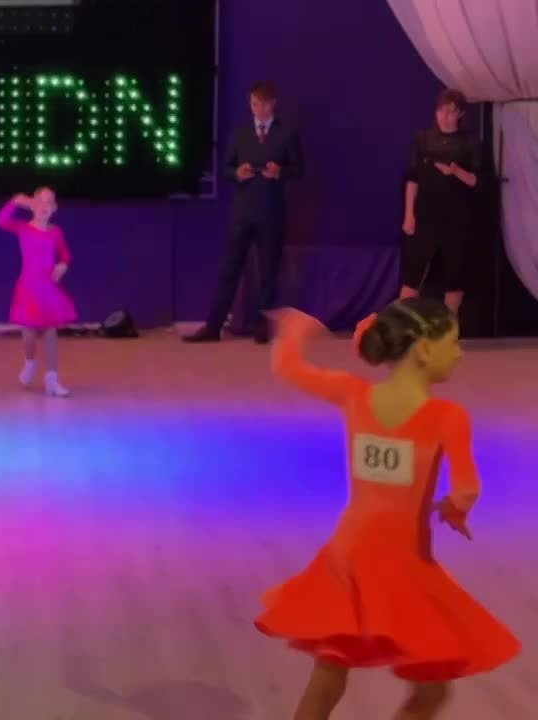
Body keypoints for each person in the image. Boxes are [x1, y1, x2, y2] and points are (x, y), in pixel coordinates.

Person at [255, 302, 518, 720]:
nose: (460, 352)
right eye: (454, 342)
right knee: (431, 691)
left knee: (328, 675)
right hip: (402, 561)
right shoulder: (447, 416)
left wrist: (295, 331)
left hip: (347, 554)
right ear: (424, 350)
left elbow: (289, 369)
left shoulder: (354, 393)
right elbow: (467, 487)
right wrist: (455, 510)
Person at [186, 81, 303, 344]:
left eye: (263, 104)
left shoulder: (287, 133)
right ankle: (213, 327)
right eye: (254, 104)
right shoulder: (240, 133)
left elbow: (299, 170)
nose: (258, 109)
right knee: (229, 269)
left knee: (268, 273)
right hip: (243, 214)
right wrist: (237, 173)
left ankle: (263, 327)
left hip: (271, 214)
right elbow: (226, 169)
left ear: (273, 104)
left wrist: (280, 172)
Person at [401, 89, 481, 315]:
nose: (445, 117)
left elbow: (477, 181)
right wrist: (409, 215)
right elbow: (413, 178)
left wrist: (456, 171)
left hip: (457, 217)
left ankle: (449, 326)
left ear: (461, 114)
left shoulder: (470, 142)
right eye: (441, 111)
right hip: (425, 215)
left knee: (455, 275)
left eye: (451, 112)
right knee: (413, 273)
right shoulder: (422, 139)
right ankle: (402, 325)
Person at [0, 188, 75, 397]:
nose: (44, 206)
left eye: (49, 202)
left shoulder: (55, 232)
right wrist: (15, 202)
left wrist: (62, 266)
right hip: (28, 287)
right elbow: (1, 221)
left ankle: (52, 379)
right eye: (40, 201)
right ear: (32, 206)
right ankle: (30, 362)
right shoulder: (23, 228)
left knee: (50, 330)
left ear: (54, 208)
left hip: (48, 287)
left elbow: (65, 255)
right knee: (29, 332)